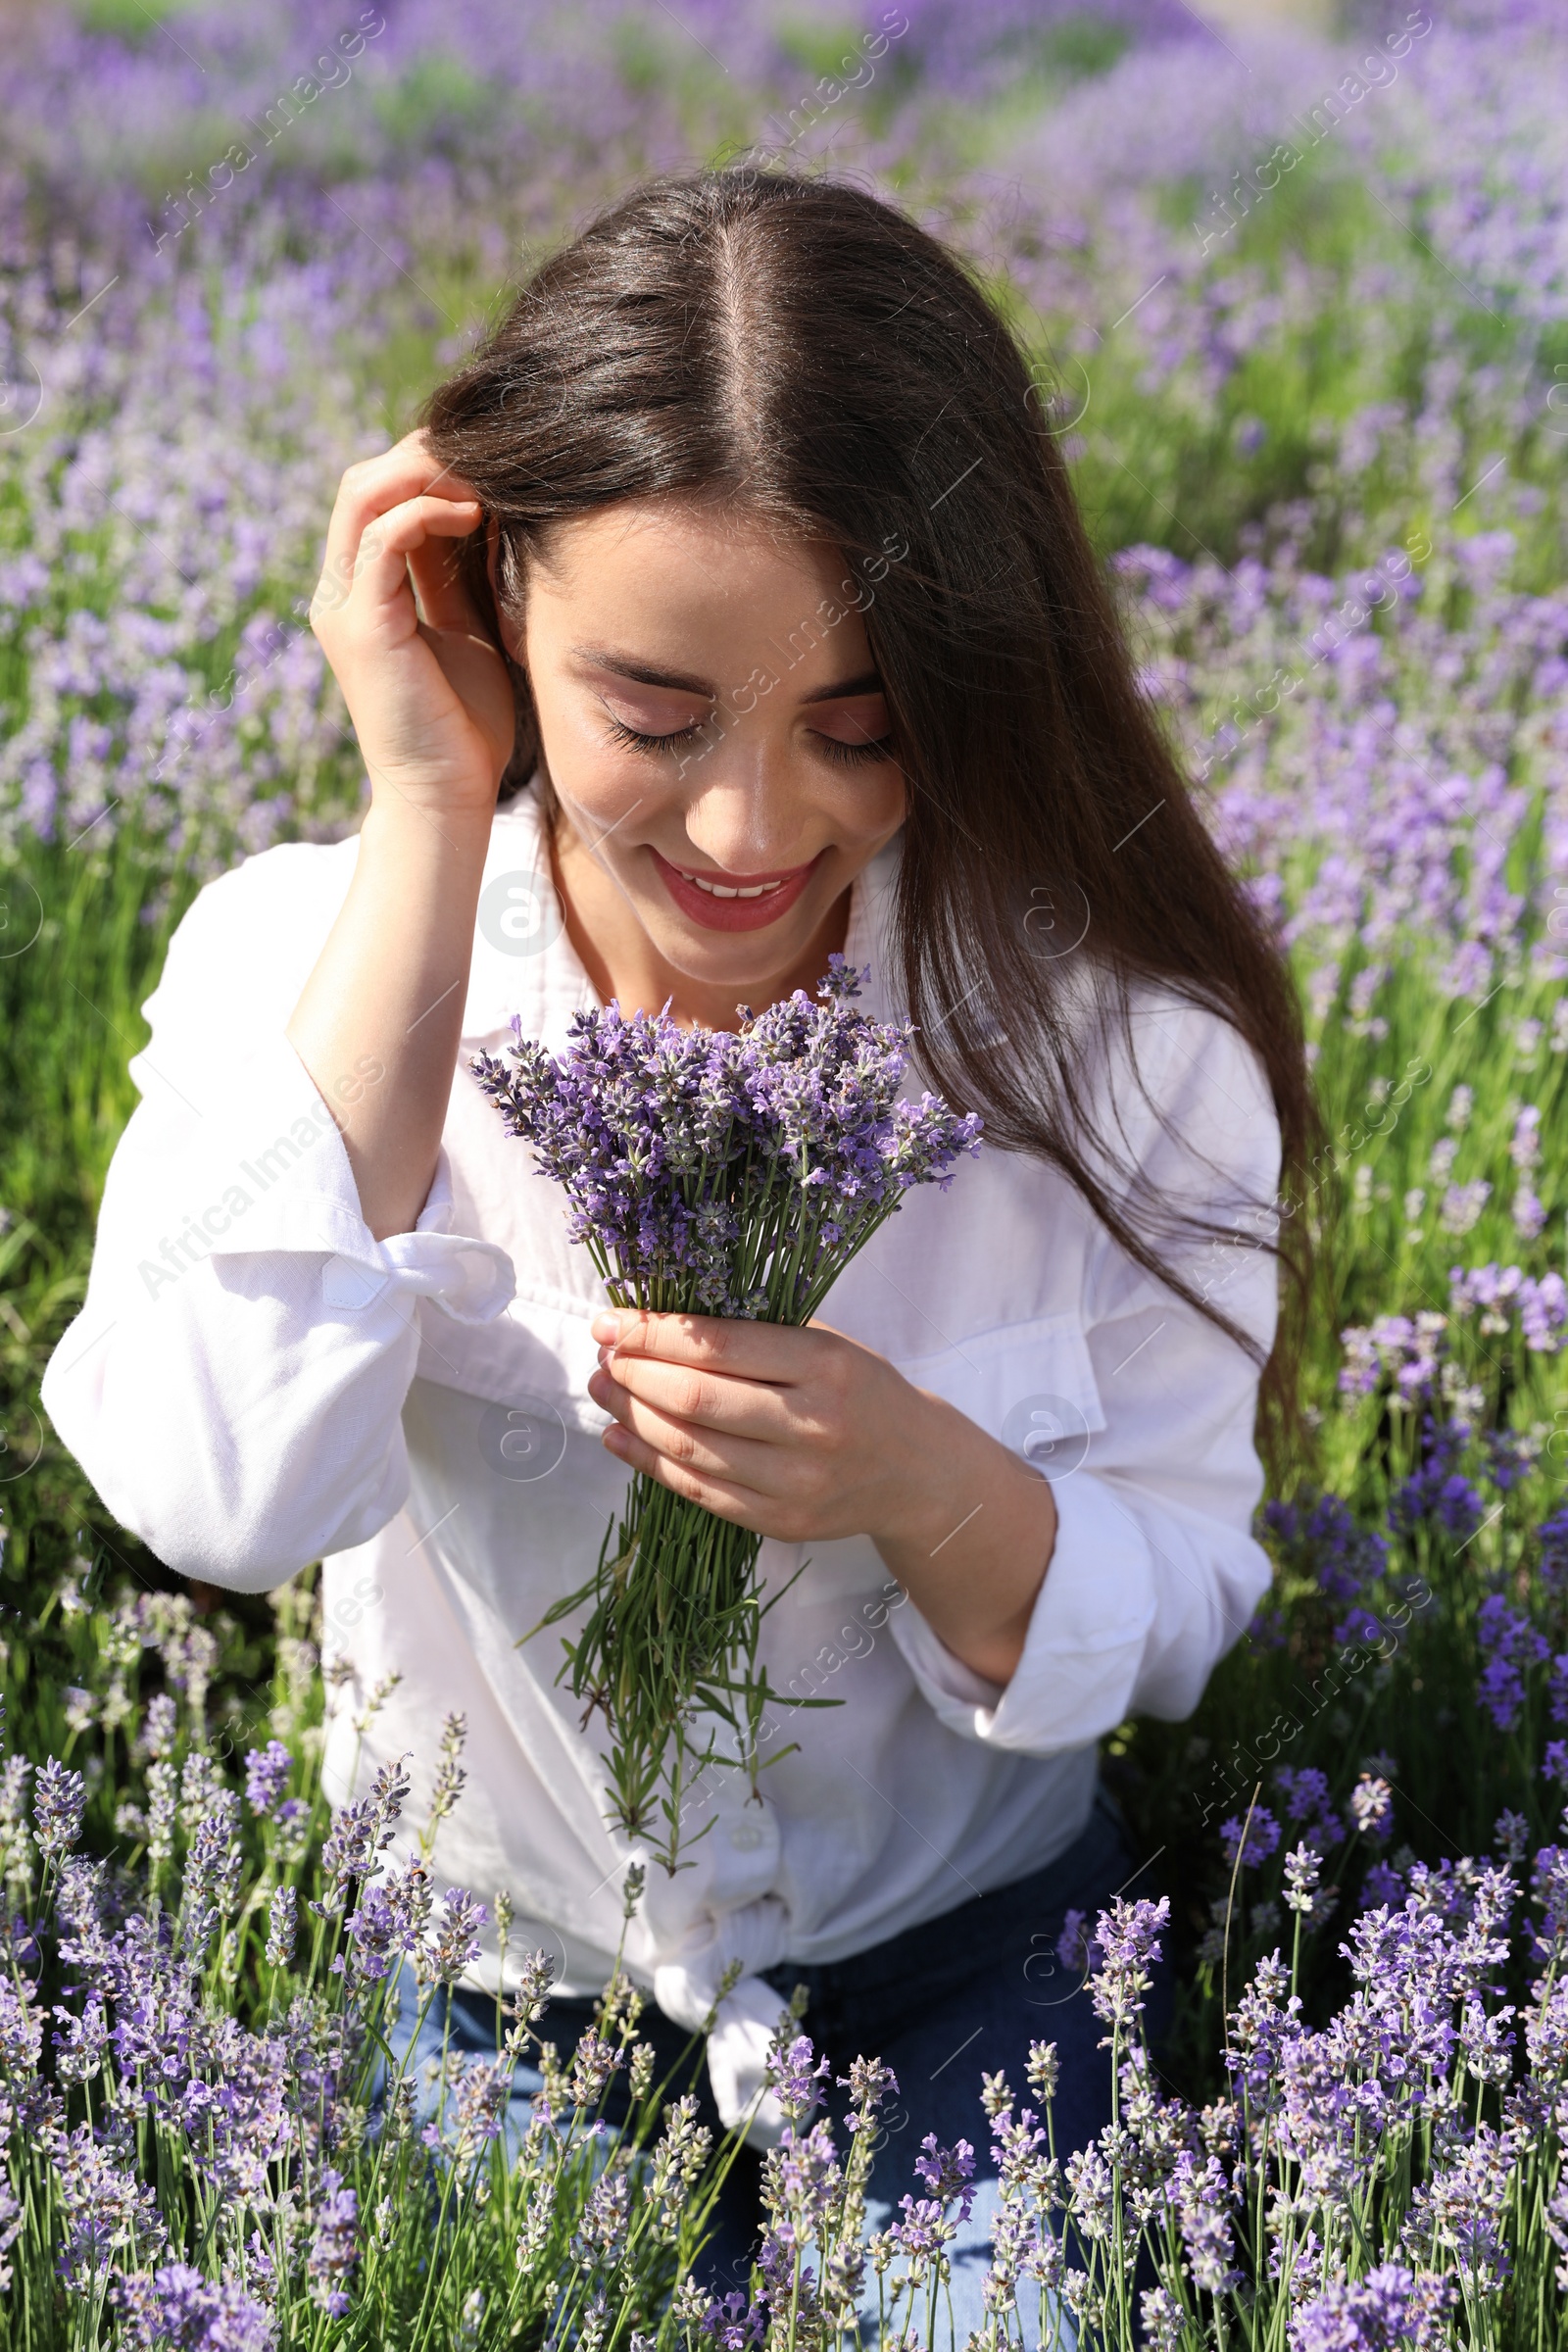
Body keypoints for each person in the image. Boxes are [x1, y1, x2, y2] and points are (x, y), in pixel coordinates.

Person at [41, 164, 1312, 2336]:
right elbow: (216, 1499)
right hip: (492, 2003)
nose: (750, 834)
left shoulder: (1118, 1059)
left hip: (970, 1980)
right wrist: (432, 817)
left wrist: (926, 1487)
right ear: (494, 601)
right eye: (651, 713)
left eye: (862, 725)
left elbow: (1182, 1591)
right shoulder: (300, 962)